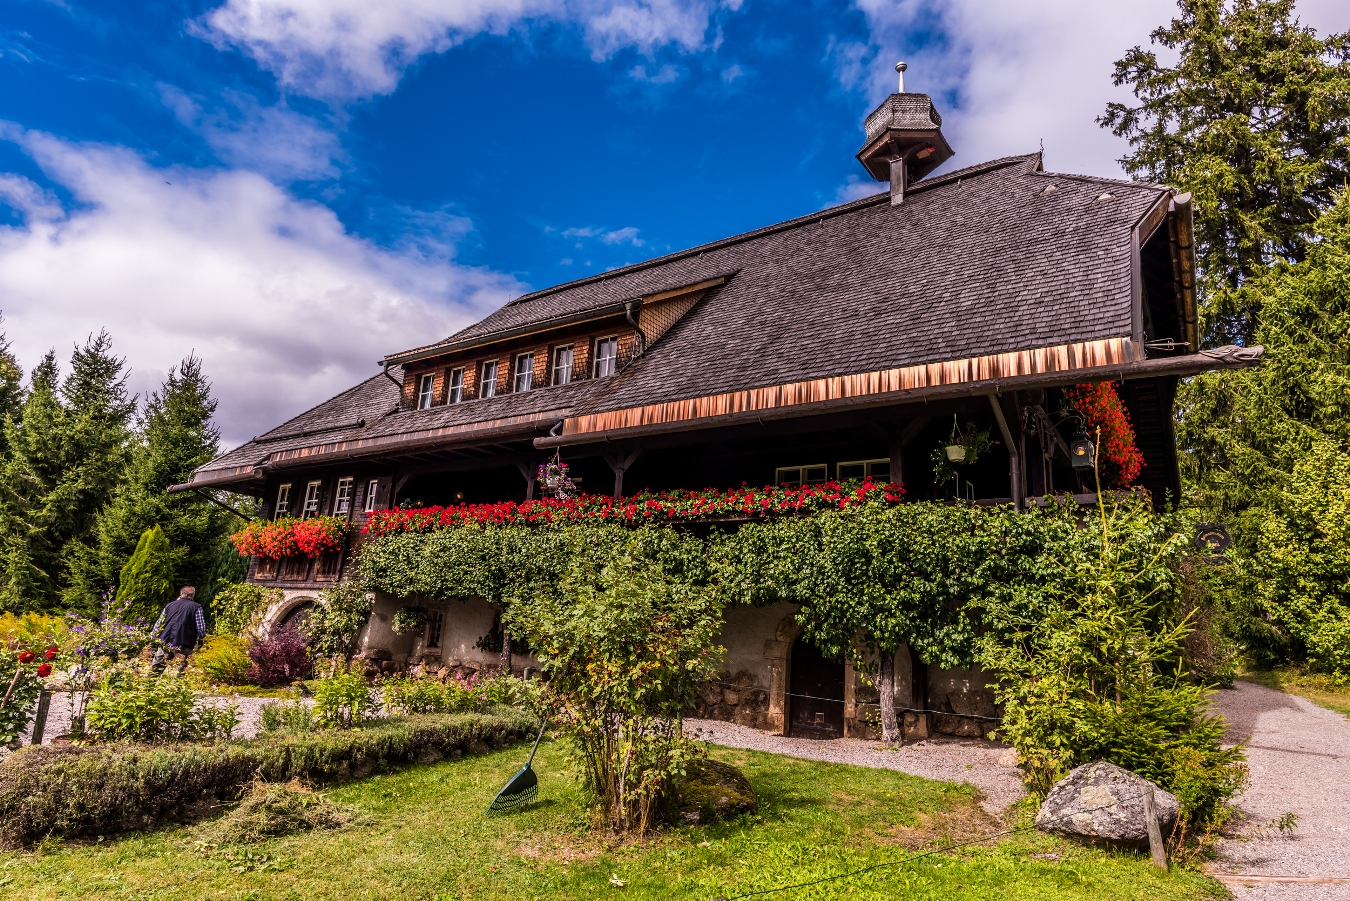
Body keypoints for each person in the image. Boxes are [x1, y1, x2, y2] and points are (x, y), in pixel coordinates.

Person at [151, 586, 207, 674]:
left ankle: (149, 685)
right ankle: (173, 686)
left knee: (156, 668)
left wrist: (153, 635)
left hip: (165, 640)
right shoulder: (196, 607)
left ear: (181, 594)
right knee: (179, 670)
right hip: (184, 642)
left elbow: (159, 623)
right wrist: (201, 638)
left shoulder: (169, 605)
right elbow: (201, 628)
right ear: (192, 596)